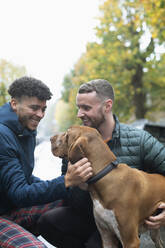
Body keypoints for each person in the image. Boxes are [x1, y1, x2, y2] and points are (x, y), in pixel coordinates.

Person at [38, 79, 165, 248]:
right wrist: (74, 183)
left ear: (107, 106)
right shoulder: (75, 141)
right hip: (90, 214)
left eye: (86, 108)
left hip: (122, 217)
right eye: (78, 107)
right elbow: (68, 198)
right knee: (47, 221)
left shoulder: (139, 140)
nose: (79, 114)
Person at [0, 76, 92, 248]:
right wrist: (66, 181)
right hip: (4, 214)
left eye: (43, 109)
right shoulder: (2, 135)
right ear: (14, 104)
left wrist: (67, 186)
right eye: (34, 108)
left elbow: (23, 177)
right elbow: (19, 193)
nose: (40, 115)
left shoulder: (25, 130)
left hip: (10, 209)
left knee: (68, 201)